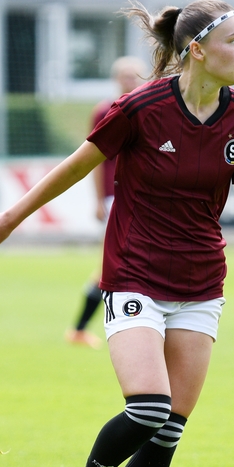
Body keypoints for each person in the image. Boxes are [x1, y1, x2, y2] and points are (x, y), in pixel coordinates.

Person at [0, 0, 234, 467]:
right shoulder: (141, 107)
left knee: (170, 430)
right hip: (135, 273)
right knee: (149, 408)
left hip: (202, 284)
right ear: (196, 50)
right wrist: (9, 219)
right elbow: (75, 167)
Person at [65, 56, 147, 350]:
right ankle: (90, 329)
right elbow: (95, 160)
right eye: (125, 76)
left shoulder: (149, 109)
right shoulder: (105, 110)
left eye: (135, 76)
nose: (130, 80)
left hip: (142, 198)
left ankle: (82, 330)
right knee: (114, 265)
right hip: (117, 197)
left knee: (117, 264)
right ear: (116, 79)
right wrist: (99, 199)